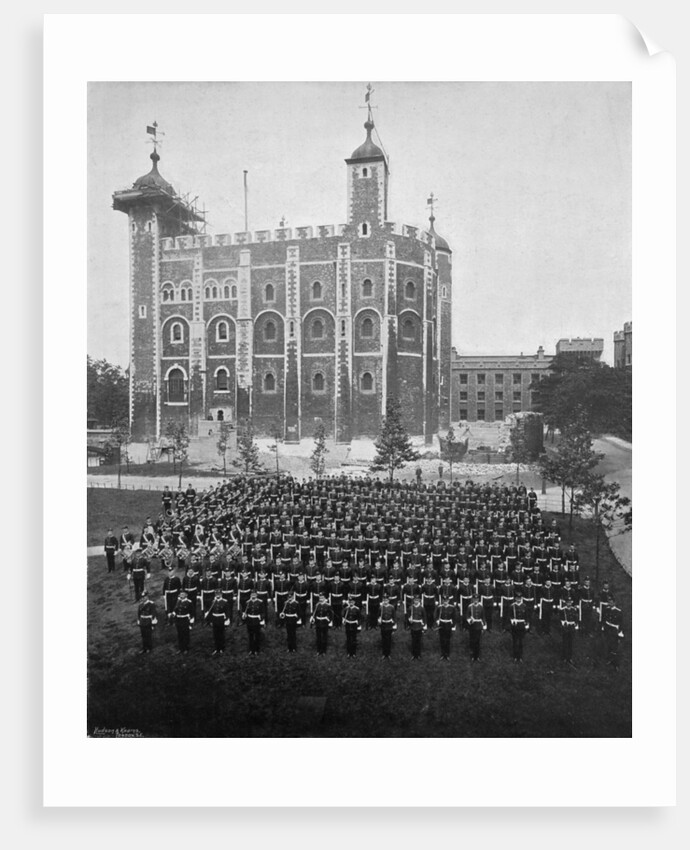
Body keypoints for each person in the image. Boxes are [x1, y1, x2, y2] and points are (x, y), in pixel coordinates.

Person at [205, 589, 231, 655]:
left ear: (221, 594)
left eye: (219, 594)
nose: (217, 595)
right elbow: (211, 612)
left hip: (221, 619)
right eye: (216, 594)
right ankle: (216, 648)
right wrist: (210, 620)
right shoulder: (213, 601)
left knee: (221, 634)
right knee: (215, 634)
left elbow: (227, 612)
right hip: (214, 619)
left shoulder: (225, 602)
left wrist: (227, 619)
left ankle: (222, 648)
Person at [602, 595, 624, 670]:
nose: (610, 604)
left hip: (614, 630)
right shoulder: (607, 610)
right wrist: (604, 627)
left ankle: (615, 663)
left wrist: (620, 632)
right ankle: (609, 659)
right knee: (608, 644)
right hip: (608, 629)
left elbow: (621, 623)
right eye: (609, 602)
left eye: (611, 603)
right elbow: (604, 619)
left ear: (615, 603)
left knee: (615, 646)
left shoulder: (618, 612)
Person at [243, 589, 266, 655]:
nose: (253, 595)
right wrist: (244, 615)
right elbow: (245, 612)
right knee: (250, 635)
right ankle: (251, 649)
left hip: (256, 621)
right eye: (252, 594)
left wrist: (261, 619)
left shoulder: (260, 602)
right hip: (250, 621)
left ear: (257, 595)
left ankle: (257, 650)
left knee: (257, 635)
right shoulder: (247, 602)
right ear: (250, 595)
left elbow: (263, 612)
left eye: (254, 594)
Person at [434, 596, 457, 661]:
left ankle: (447, 654)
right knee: (442, 639)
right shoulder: (440, 607)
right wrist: (437, 621)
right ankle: (443, 654)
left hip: (448, 625)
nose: (445, 602)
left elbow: (454, 617)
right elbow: (436, 616)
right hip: (442, 624)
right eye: (444, 601)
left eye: (446, 601)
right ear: (442, 601)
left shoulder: (452, 608)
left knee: (447, 640)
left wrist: (453, 625)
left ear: (448, 601)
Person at [466, 592, 487, 661]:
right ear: (472, 599)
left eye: (477, 599)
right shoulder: (470, 607)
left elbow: (483, 617)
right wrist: (470, 620)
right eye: (474, 599)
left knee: (477, 641)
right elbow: (467, 616)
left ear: (478, 600)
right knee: (472, 640)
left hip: (478, 626)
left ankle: (477, 656)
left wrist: (484, 625)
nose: (475, 600)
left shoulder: (481, 607)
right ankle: (472, 656)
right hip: (472, 626)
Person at [509, 590, 529, 662]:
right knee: (515, 641)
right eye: (517, 598)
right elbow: (510, 616)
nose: (518, 599)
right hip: (515, 625)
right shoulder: (512, 606)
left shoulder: (524, 606)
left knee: (520, 641)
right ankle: (515, 656)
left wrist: (527, 624)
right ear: (515, 598)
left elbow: (526, 616)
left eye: (519, 598)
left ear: (521, 598)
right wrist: (512, 620)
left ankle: (520, 656)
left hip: (521, 626)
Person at [407, 596, 427, 660]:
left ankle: (418, 654)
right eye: (415, 600)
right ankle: (414, 654)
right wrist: (409, 620)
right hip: (413, 626)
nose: (416, 601)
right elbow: (408, 616)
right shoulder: (411, 608)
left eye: (417, 600)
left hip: (419, 626)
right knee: (413, 641)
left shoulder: (422, 608)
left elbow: (424, 617)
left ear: (420, 601)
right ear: (413, 601)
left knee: (418, 641)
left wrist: (424, 626)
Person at [560, 598, 579, 666]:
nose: (569, 604)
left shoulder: (574, 610)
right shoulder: (563, 610)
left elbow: (576, 618)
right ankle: (564, 657)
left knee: (570, 643)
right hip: (566, 627)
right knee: (565, 642)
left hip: (571, 628)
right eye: (568, 602)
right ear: (566, 603)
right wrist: (563, 623)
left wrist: (576, 625)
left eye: (570, 602)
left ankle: (569, 657)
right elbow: (561, 618)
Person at [378, 595, 397, 660]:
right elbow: (378, 616)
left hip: (389, 625)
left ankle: (388, 654)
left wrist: (394, 626)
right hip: (383, 625)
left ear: (389, 600)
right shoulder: (381, 607)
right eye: (384, 600)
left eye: (386, 600)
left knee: (388, 640)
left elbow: (394, 617)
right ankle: (384, 654)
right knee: (383, 639)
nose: (385, 601)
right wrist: (379, 620)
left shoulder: (392, 607)